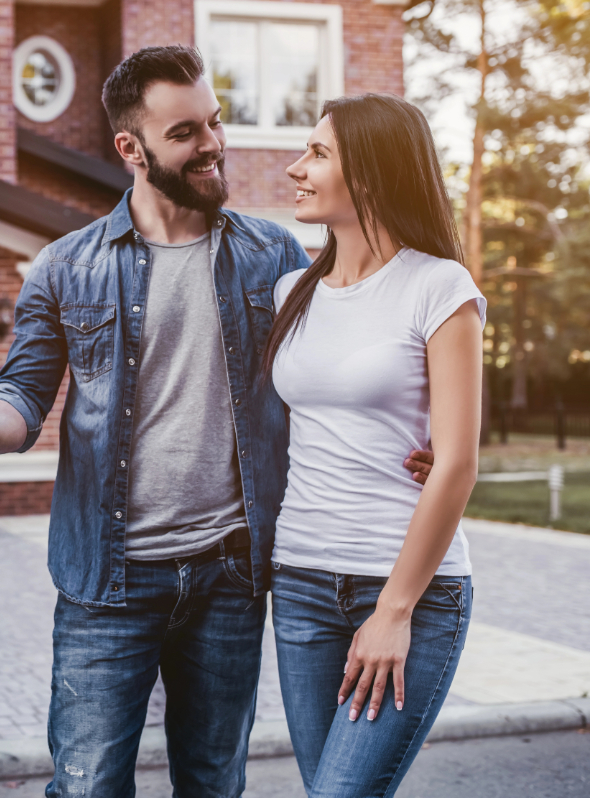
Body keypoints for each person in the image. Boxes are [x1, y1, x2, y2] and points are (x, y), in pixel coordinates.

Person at [0, 47, 434, 797]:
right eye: (185, 133)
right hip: (106, 581)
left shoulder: (272, 253)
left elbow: (357, 350)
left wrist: (429, 428)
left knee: (214, 784)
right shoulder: (66, 267)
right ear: (131, 149)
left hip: (231, 573)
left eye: (214, 121)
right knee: (87, 786)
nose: (212, 142)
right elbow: (22, 393)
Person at [268, 93, 483, 797]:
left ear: (371, 172)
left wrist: (393, 610)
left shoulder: (438, 286)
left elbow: (455, 460)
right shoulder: (291, 291)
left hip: (408, 591)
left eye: (319, 153)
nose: (297, 168)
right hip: (299, 580)